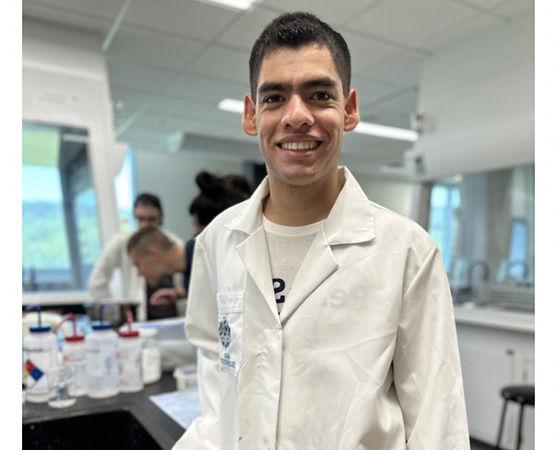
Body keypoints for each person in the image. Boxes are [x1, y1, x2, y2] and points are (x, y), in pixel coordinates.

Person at [175, 12, 470, 450]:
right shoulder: (219, 240)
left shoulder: (407, 251)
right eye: (274, 98)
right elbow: (217, 392)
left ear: (349, 110)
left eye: (318, 95)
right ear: (251, 115)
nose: (297, 116)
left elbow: (437, 424)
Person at [128, 172, 251, 305]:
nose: (139, 273)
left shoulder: (206, 257)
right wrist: (180, 293)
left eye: (138, 265)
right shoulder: (192, 266)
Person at [87, 192, 182, 321]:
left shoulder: (175, 245)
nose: (146, 224)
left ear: (160, 218)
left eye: (151, 219)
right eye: (141, 219)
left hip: (173, 318)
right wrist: (113, 315)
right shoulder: (122, 242)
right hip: (139, 319)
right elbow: (97, 282)